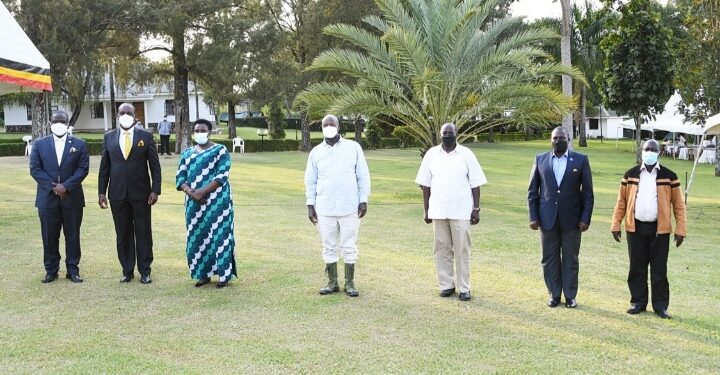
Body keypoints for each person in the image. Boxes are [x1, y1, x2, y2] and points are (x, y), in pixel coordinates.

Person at [611, 139, 687, 319]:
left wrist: (680, 229)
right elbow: (621, 202)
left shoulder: (669, 176)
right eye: (647, 149)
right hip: (635, 227)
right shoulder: (631, 174)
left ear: (659, 152)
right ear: (642, 151)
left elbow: (678, 205)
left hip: (659, 230)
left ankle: (660, 306)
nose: (649, 152)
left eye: (653, 150)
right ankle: (638, 302)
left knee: (659, 269)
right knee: (636, 267)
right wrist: (616, 224)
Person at [415, 123, 487, 301]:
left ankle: (464, 288)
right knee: (441, 249)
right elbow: (425, 184)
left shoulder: (466, 154)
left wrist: (476, 209)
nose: (447, 136)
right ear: (440, 135)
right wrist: (426, 210)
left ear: (457, 134)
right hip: (438, 210)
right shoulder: (431, 154)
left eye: (450, 133)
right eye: (444, 133)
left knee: (462, 250)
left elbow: (475, 183)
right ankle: (446, 285)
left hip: (461, 210)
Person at [305, 114, 371, 297]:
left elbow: (363, 176)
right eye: (325, 124)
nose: (329, 126)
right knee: (328, 245)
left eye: (332, 124)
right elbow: (310, 180)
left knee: (349, 245)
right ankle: (332, 282)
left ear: (339, 126)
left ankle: (349, 283)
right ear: (321, 127)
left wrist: (363, 199)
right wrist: (310, 204)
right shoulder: (316, 152)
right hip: (324, 207)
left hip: (350, 206)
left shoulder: (353, 148)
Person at [528, 126, 594, 308]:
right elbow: (533, 191)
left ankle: (570, 296)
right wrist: (533, 216)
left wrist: (585, 218)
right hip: (546, 219)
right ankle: (554, 294)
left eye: (561, 138)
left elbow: (588, 193)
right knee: (549, 259)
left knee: (571, 258)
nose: (558, 141)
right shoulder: (540, 160)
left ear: (568, 139)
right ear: (550, 140)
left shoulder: (580, 160)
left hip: (572, 220)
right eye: (555, 138)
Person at [98, 102, 161, 284]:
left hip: (141, 194)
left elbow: (154, 167)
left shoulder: (146, 137)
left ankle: (145, 271)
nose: (125, 115)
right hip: (117, 194)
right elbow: (104, 167)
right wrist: (101, 191)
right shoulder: (108, 137)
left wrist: (155, 189)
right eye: (122, 112)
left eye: (129, 112)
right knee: (122, 232)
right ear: (117, 115)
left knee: (143, 232)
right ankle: (127, 270)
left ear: (135, 116)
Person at [29, 111, 89, 283]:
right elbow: (35, 169)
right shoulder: (39, 144)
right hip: (47, 198)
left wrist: (66, 186)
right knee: (49, 235)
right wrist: (53, 187)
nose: (59, 123)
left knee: (72, 235)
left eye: (63, 121)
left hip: (72, 198)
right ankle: (51, 270)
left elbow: (82, 169)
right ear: (50, 123)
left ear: (68, 123)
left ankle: (73, 269)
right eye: (56, 121)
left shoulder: (79, 144)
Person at [176, 119, 236, 288]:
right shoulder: (187, 153)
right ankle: (203, 274)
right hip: (194, 204)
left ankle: (223, 276)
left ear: (209, 132)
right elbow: (180, 178)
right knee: (197, 237)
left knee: (220, 236)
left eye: (203, 130)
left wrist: (203, 192)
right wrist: (192, 193)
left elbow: (222, 174)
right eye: (197, 130)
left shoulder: (220, 150)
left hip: (218, 202)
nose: (200, 132)